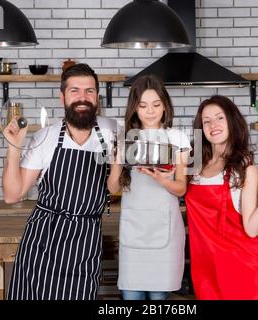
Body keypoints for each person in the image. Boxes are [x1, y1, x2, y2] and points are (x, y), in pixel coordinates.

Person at [2, 63, 118, 300]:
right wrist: (14, 147)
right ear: (62, 96)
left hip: (86, 239)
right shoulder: (46, 137)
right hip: (43, 240)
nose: (82, 98)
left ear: (97, 97)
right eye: (75, 91)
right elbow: (12, 195)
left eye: (89, 91)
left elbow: (114, 187)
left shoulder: (111, 131)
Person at [185, 95, 258, 300]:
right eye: (206, 121)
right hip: (206, 271)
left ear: (232, 121)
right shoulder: (195, 165)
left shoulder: (243, 168)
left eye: (219, 118)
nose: (213, 125)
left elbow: (251, 229)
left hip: (242, 271)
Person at [107, 75, 190, 300]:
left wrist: (162, 180)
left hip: (165, 230)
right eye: (143, 106)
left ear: (165, 106)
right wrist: (117, 160)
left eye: (156, 105)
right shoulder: (125, 140)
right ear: (134, 108)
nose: (150, 111)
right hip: (134, 232)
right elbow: (112, 187)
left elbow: (181, 189)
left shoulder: (177, 138)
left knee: (158, 298)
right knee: (131, 295)